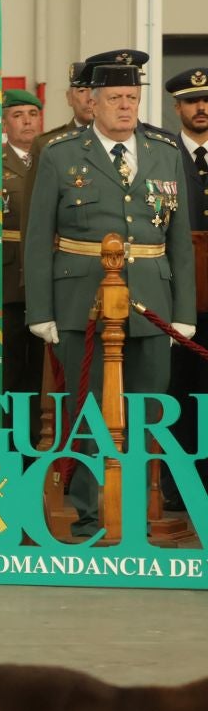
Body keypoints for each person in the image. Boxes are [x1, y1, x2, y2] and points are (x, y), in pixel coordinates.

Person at [24, 49, 196, 537]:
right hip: (80, 302)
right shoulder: (61, 155)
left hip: (152, 303)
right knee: (87, 408)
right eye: (116, 98)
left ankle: (142, 506)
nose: (126, 106)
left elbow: (178, 239)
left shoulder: (163, 151)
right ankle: (88, 508)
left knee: (149, 407)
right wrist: (41, 310)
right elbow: (39, 236)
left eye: (132, 97)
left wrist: (183, 312)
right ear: (92, 102)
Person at [163, 67, 208, 507]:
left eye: (207, 99)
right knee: (178, 392)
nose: (202, 108)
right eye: (192, 101)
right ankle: (177, 488)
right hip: (179, 296)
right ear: (177, 107)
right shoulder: (161, 153)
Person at [0, 88, 44, 404]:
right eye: (17, 116)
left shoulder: (56, 156)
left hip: (46, 275)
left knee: (44, 370)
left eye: (32, 114)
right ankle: (7, 440)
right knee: (10, 363)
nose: (27, 122)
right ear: (4, 124)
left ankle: (41, 440)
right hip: (9, 278)